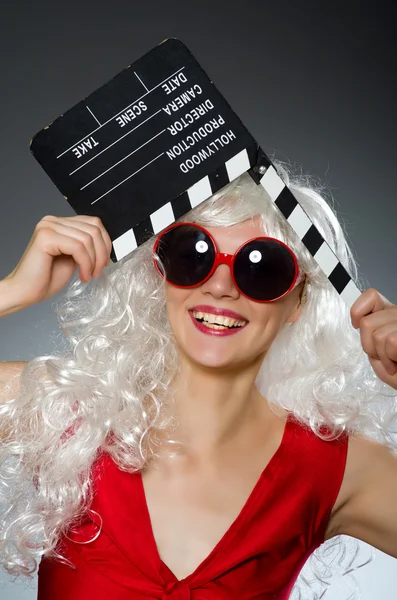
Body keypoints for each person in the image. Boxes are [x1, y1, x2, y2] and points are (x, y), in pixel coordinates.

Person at [0, 161, 397, 600]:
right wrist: (12, 291)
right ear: (161, 275)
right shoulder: (64, 411)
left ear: (299, 301)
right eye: (193, 256)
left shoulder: (336, 468)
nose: (222, 287)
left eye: (261, 269)